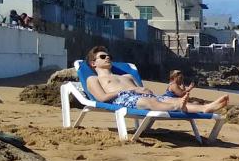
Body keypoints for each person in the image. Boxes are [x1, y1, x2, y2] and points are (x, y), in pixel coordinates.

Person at [84, 46, 229, 114]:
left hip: (143, 96)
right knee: (152, 102)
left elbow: (140, 90)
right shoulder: (93, 79)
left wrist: (141, 89)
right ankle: (179, 107)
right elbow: (101, 98)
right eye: (102, 57)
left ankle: (205, 108)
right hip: (122, 99)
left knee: (169, 100)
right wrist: (130, 89)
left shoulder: (126, 76)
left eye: (109, 56)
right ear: (93, 63)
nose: (107, 57)